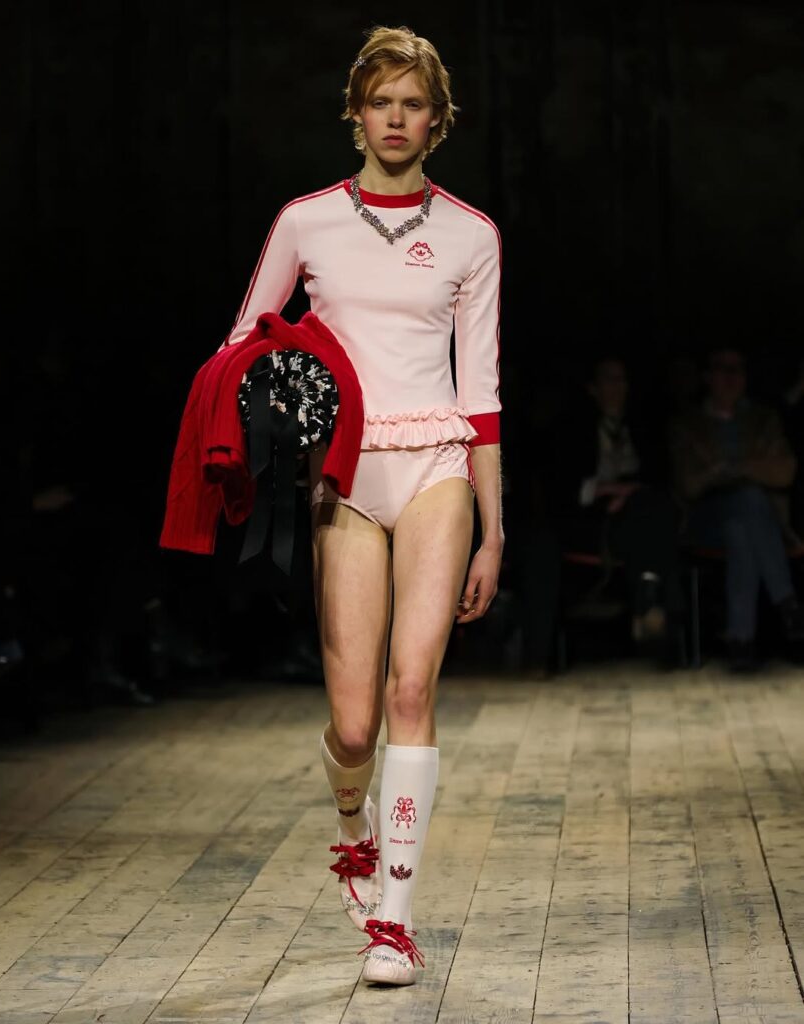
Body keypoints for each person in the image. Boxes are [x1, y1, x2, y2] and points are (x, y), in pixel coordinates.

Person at [219, 26, 503, 985]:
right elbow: (243, 346)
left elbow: (481, 394)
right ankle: (353, 829)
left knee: (409, 693)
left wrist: (492, 531)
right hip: (342, 479)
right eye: (380, 101)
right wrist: (276, 394)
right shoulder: (306, 223)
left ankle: (395, 920)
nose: (394, 118)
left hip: (436, 470)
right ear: (356, 112)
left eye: (412, 104)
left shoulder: (470, 234)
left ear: (436, 119)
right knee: (351, 727)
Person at [670, 345, 804, 671]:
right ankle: (787, 602)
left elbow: (785, 470)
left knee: (742, 525)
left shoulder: (763, 419)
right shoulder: (687, 424)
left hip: (756, 522)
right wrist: (729, 474)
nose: (731, 377)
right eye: (723, 369)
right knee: (746, 503)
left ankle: (740, 641)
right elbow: (688, 484)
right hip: (705, 520)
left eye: (738, 370)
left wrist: (735, 469)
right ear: (707, 377)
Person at [547, 355, 682, 660]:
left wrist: (629, 494)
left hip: (638, 512)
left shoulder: (643, 426)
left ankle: (648, 601)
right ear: (593, 388)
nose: (617, 387)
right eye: (609, 379)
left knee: (651, 512)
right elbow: (562, 489)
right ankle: (652, 603)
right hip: (594, 520)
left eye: (622, 380)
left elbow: (661, 477)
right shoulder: (572, 429)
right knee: (650, 522)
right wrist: (609, 492)